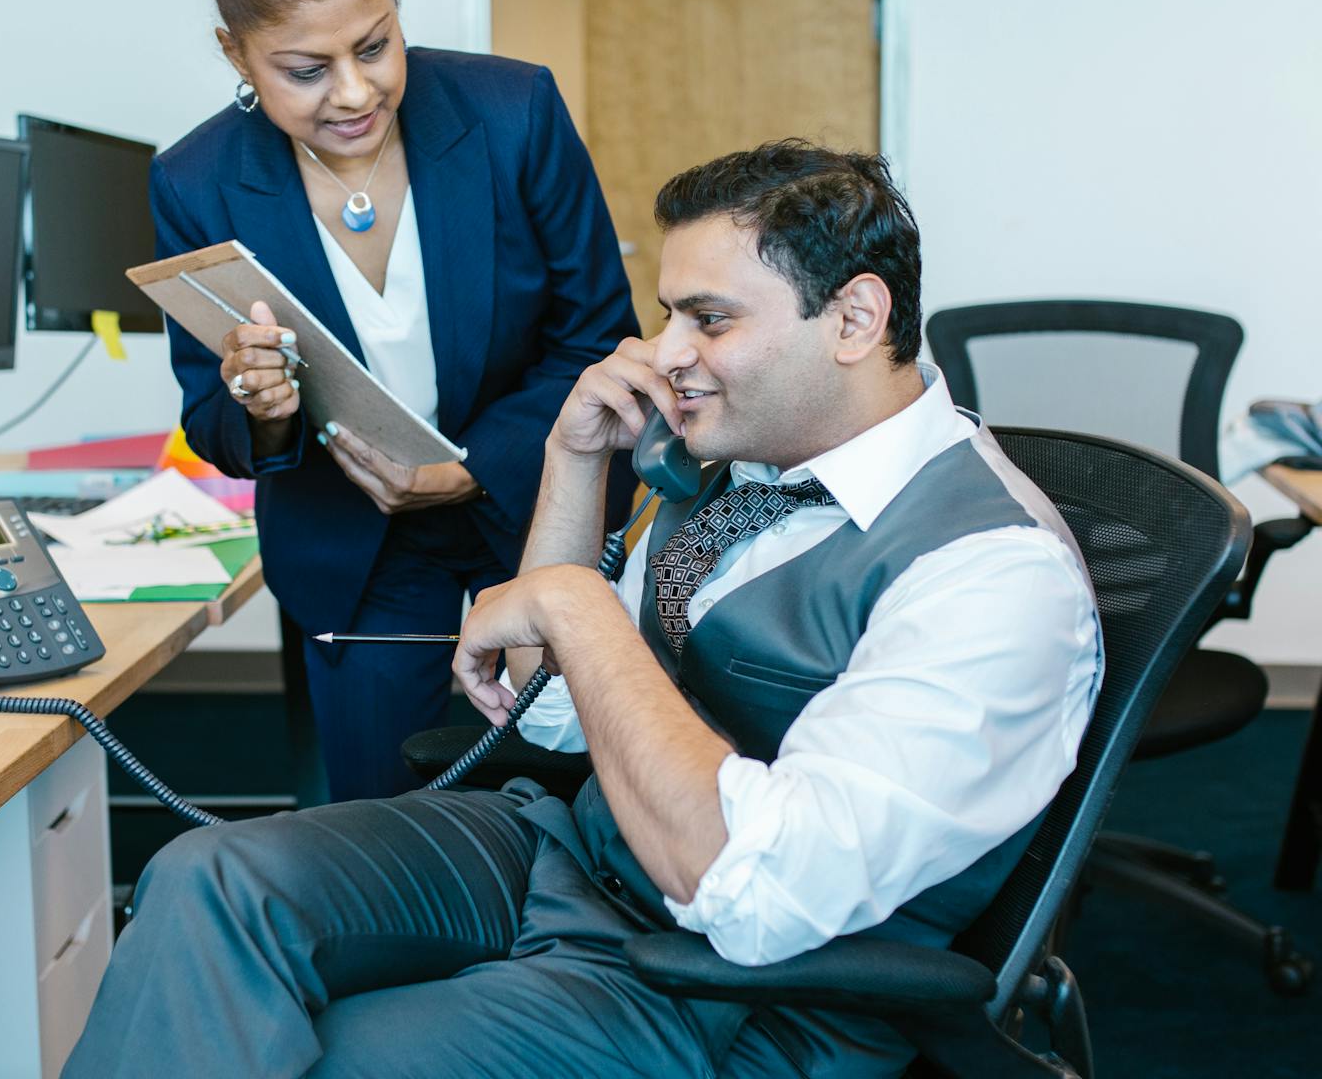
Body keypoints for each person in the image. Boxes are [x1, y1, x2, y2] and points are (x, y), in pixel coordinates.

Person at [65, 141, 1103, 1078]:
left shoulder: (992, 574)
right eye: (668, 313)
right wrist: (570, 461)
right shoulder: (753, 462)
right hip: (567, 850)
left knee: (329, 1054)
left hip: (733, 990)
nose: (667, 351)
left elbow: (750, 890)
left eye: (710, 318)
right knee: (205, 880)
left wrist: (580, 608)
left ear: (856, 318)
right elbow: (547, 707)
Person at [152, 0, 637, 801]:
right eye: (305, 69)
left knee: (574, 802)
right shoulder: (196, 179)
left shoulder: (513, 112)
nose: (355, 92)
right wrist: (261, 405)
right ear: (234, 53)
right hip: (357, 555)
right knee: (384, 826)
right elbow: (210, 421)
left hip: (535, 502)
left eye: (375, 45)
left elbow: (597, 338)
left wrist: (467, 468)